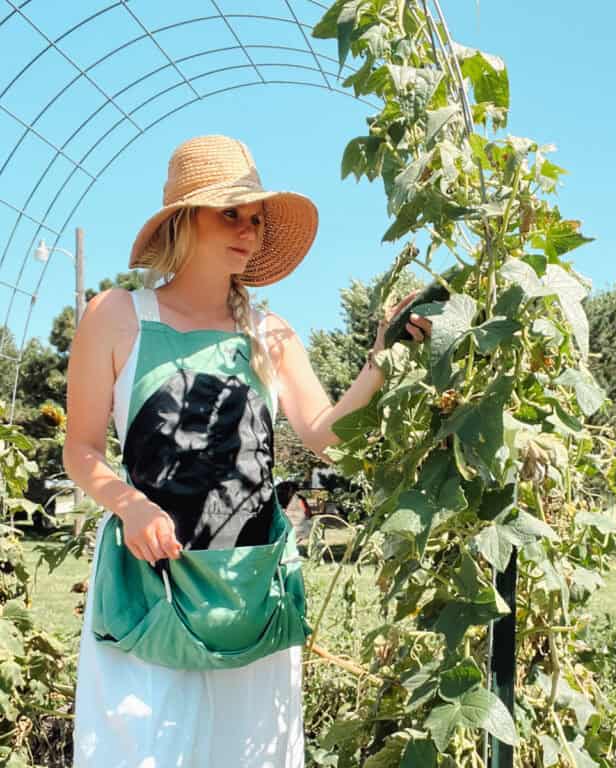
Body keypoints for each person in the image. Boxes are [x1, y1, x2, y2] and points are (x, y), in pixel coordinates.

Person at [62, 134, 431, 767]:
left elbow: (327, 438)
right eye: (229, 213)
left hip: (248, 582)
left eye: (256, 218)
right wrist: (130, 506)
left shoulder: (271, 332)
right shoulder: (117, 314)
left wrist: (380, 359)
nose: (248, 230)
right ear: (184, 219)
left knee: (247, 751)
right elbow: (81, 449)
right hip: (153, 585)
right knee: (142, 747)